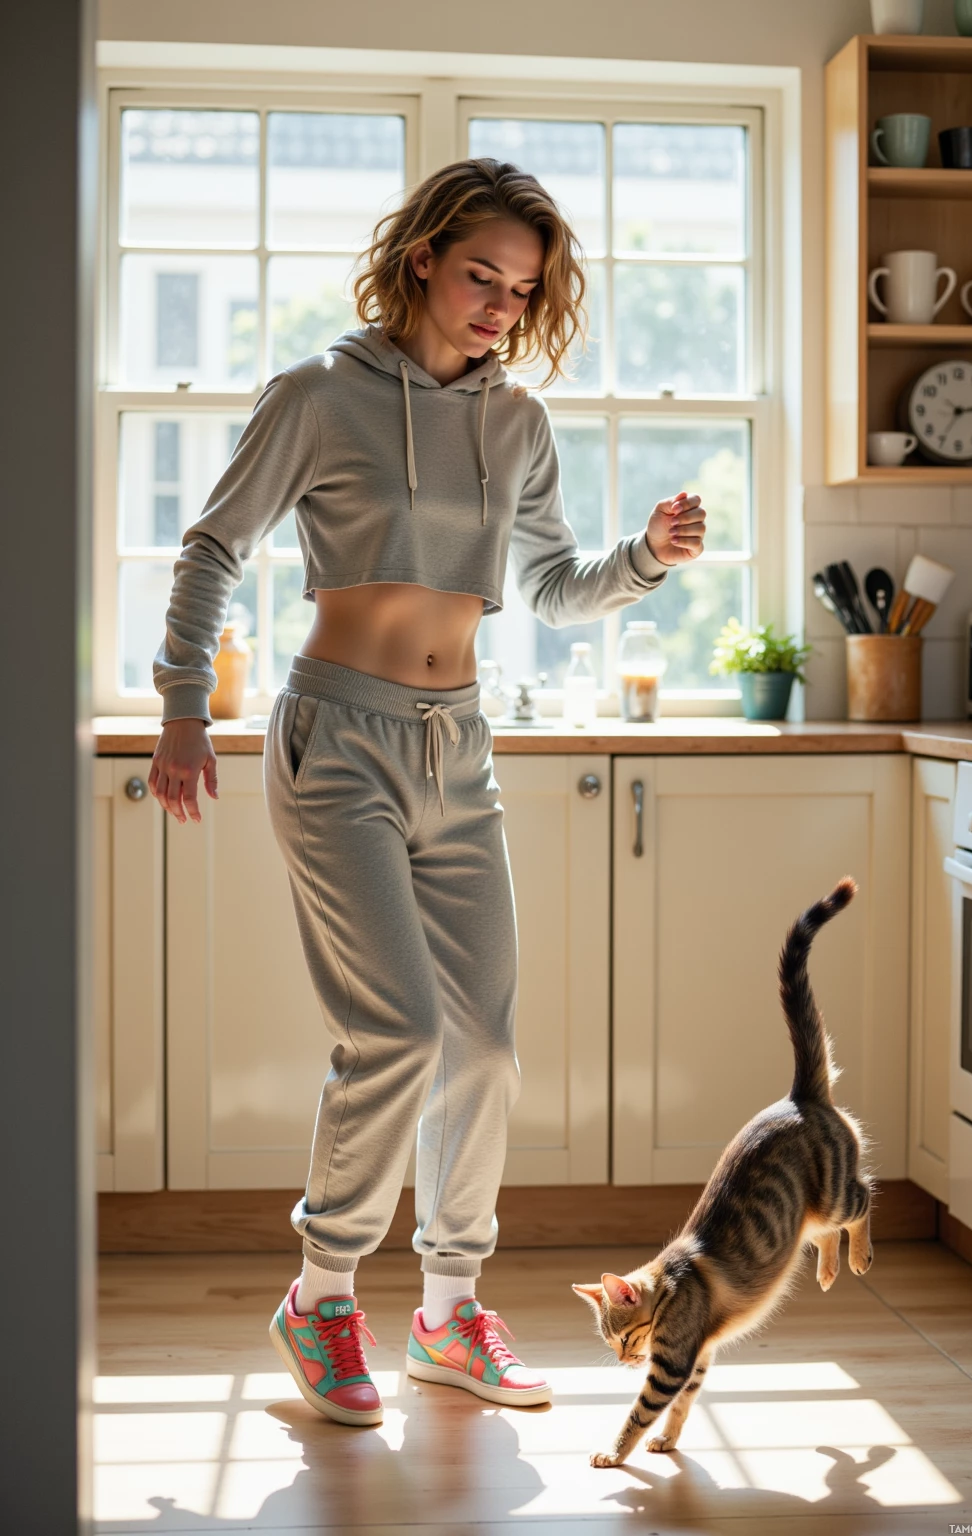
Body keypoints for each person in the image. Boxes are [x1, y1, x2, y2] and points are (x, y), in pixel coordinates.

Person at [148, 156, 706, 1429]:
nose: (502, 306)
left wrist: (645, 558)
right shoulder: (316, 396)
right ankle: (321, 1298)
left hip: (461, 748)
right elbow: (213, 547)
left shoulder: (516, 423)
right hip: (337, 742)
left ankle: (450, 1315)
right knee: (395, 1033)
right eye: (480, 276)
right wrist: (183, 707)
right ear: (421, 261)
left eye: (523, 289)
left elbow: (554, 588)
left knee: (487, 1048)